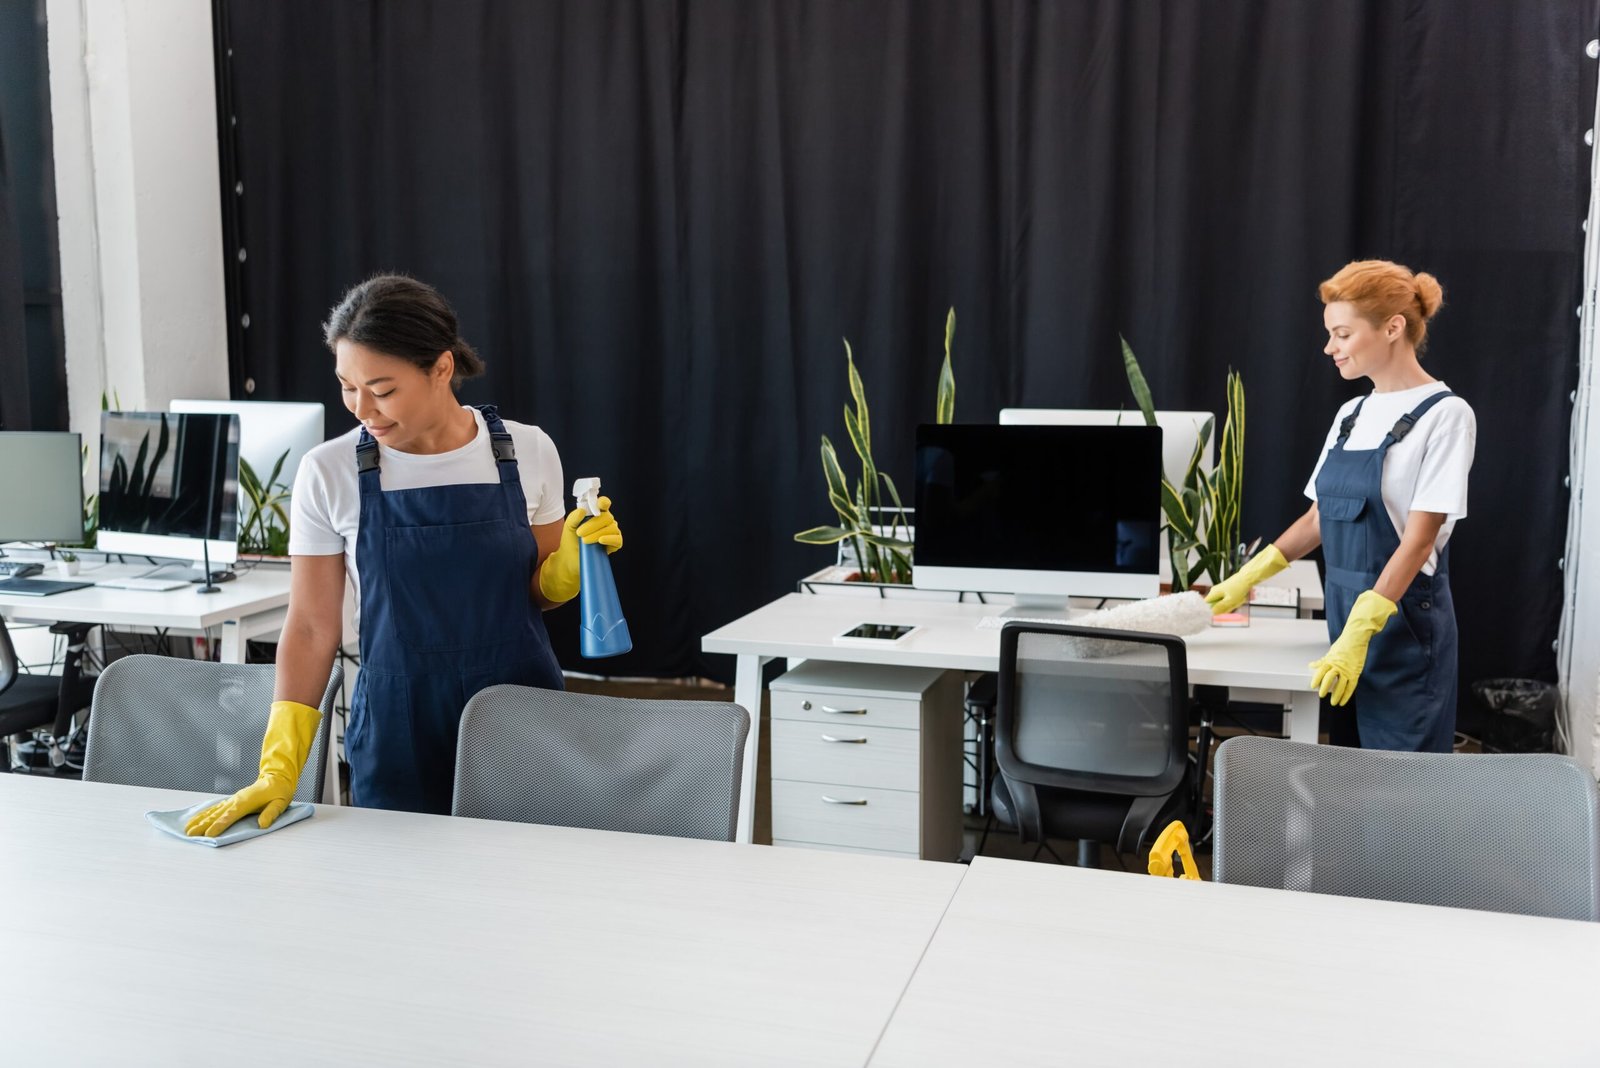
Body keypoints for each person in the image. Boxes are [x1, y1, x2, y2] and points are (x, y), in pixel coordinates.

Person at [186, 274, 621, 833]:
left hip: (522, 718)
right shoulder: (330, 471)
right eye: (347, 386)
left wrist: (569, 565)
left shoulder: (527, 451)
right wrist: (279, 764)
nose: (362, 408)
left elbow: (538, 592)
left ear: (441, 369)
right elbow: (314, 628)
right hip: (399, 731)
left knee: (523, 896)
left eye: (383, 389)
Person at [1205, 260, 1475, 752]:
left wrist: (1366, 625)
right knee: (1349, 780)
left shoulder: (1447, 415)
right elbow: (1317, 520)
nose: (1330, 347)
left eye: (1343, 334)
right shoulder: (1352, 413)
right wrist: (1249, 576)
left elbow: (1419, 540)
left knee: (1402, 790)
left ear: (1393, 328)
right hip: (1343, 622)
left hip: (1403, 628)